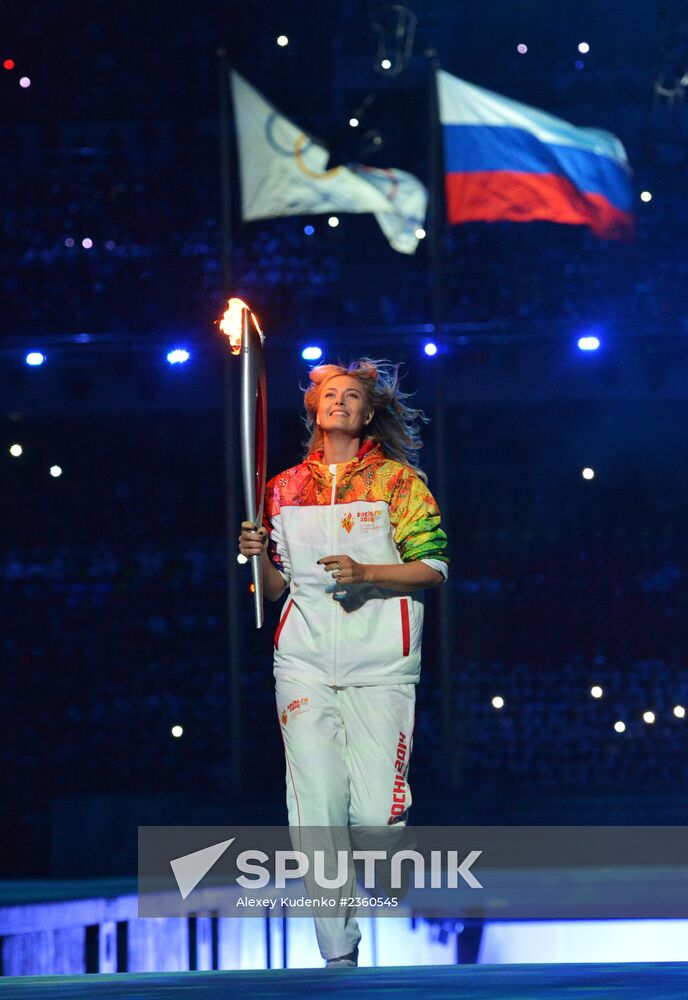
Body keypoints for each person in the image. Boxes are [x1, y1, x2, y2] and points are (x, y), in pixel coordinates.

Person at [239, 358, 448, 967]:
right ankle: (338, 953)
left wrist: (367, 574)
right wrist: (257, 560)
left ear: (368, 411)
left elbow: (433, 568)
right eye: (331, 393)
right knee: (315, 809)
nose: (341, 402)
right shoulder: (281, 489)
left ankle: (387, 848)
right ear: (313, 406)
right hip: (301, 663)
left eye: (353, 395)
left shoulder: (397, 483)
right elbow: (277, 591)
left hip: (380, 665)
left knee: (374, 820)